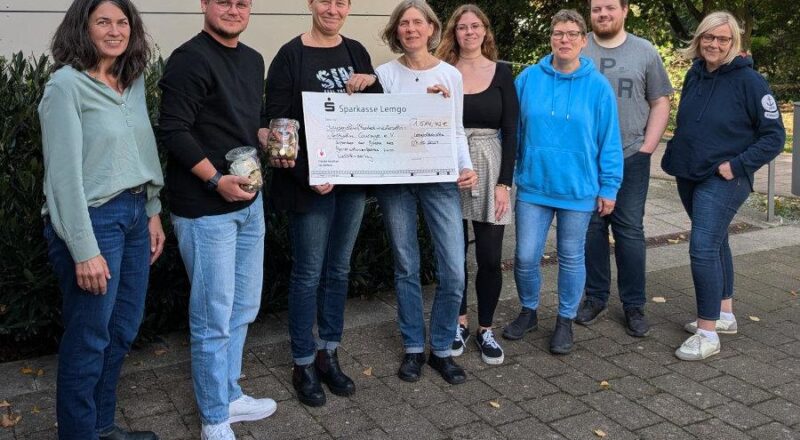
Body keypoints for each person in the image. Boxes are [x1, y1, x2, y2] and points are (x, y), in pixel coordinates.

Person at [39, 1, 164, 438]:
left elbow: (141, 151)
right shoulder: (64, 87)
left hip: (133, 215)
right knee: (90, 337)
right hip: (92, 221)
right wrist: (84, 248)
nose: (115, 31)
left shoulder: (130, 80)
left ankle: (103, 427)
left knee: (122, 329)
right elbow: (62, 178)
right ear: (83, 28)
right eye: (103, 22)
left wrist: (152, 210)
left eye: (122, 22)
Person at [157, 0, 276, 438]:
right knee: (213, 317)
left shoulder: (252, 58)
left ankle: (228, 393)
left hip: (249, 204)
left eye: (241, 3)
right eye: (223, 1)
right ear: (205, 5)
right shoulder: (190, 59)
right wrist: (214, 180)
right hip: (206, 210)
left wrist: (271, 136)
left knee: (243, 307)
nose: (233, 10)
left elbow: (247, 122)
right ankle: (213, 419)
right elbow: (173, 130)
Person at [262, 0, 382, 407]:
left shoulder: (356, 52)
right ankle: (302, 360)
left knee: (339, 270)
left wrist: (372, 85)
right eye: (325, 1)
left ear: (347, 8)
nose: (333, 9)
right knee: (309, 273)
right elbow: (277, 125)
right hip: (309, 187)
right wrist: (308, 177)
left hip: (350, 184)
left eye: (341, 2)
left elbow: (375, 115)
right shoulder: (290, 56)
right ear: (311, 4)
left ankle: (328, 351)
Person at [662, 11, 785, 361]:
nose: (714, 44)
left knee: (701, 247)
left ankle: (707, 333)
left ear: (734, 43)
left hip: (725, 178)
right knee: (716, 242)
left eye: (723, 39)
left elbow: (775, 136)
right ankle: (725, 314)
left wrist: (738, 165)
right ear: (699, 39)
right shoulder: (695, 73)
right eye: (708, 37)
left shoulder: (751, 82)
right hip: (690, 173)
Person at [504, 9, 623, 355]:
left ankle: (565, 320)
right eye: (559, 33)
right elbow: (512, 130)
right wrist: (506, 177)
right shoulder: (528, 79)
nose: (565, 39)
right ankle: (529, 312)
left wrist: (609, 186)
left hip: (578, 190)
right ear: (551, 38)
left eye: (572, 34)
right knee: (525, 256)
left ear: (584, 41)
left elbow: (609, 141)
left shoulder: (598, 87)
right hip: (534, 186)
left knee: (571, 257)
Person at [374, 0, 478, 384]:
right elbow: (375, 128)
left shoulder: (450, 74)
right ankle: (414, 348)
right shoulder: (383, 74)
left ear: (432, 29)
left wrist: (465, 165)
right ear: (396, 31)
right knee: (406, 266)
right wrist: (359, 87)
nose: (411, 29)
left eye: (418, 22)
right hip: (397, 180)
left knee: (453, 268)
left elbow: (455, 127)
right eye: (404, 23)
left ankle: (443, 348)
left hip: (440, 178)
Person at [576, 0, 673, 337]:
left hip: (630, 154)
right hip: (586, 159)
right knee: (591, 229)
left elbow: (660, 100)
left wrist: (647, 147)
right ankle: (596, 297)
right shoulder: (578, 45)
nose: (603, 14)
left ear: (625, 10)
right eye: (597, 8)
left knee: (630, 231)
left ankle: (634, 304)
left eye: (610, 8)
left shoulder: (644, 51)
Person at [435, 4, 518, 365]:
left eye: (475, 26)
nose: (468, 32)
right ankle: (459, 322)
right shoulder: (442, 72)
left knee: (488, 256)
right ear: (454, 33)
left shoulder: (502, 72)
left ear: (485, 31)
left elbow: (512, 129)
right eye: (462, 27)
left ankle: (486, 328)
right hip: (449, 165)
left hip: (489, 162)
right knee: (454, 256)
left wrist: (504, 184)